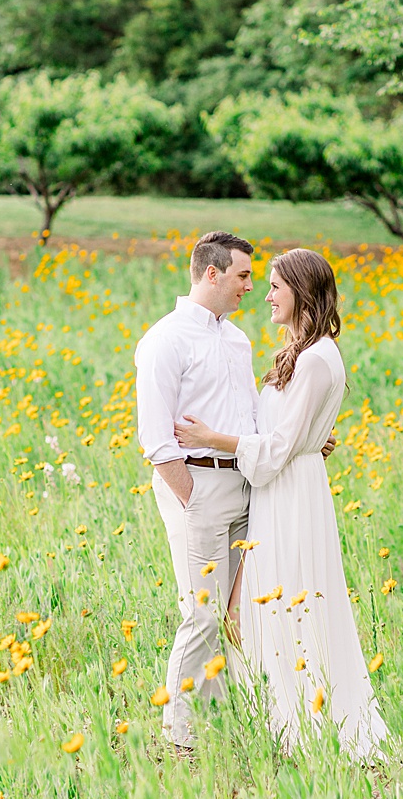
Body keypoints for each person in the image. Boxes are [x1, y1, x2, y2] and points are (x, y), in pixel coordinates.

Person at [175, 247, 388, 760]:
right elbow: (289, 434)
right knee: (269, 602)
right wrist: (309, 441)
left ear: (301, 291)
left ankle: (305, 723)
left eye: (274, 286)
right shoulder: (304, 351)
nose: (265, 295)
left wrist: (213, 438)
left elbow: (272, 451)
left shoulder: (317, 358)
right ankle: (283, 715)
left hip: (290, 492)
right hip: (285, 484)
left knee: (293, 598)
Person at [134, 230, 261, 753]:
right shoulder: (165, 339)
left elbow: (250, 413)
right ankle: (178, 735)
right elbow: (155, 437)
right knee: (202, 611)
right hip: (198, 485)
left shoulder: (237, 340)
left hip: (244, 482)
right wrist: (192, 497)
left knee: (238, 612)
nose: (250, 287)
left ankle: (218, 723)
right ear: (212, 273)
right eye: (243, 275)